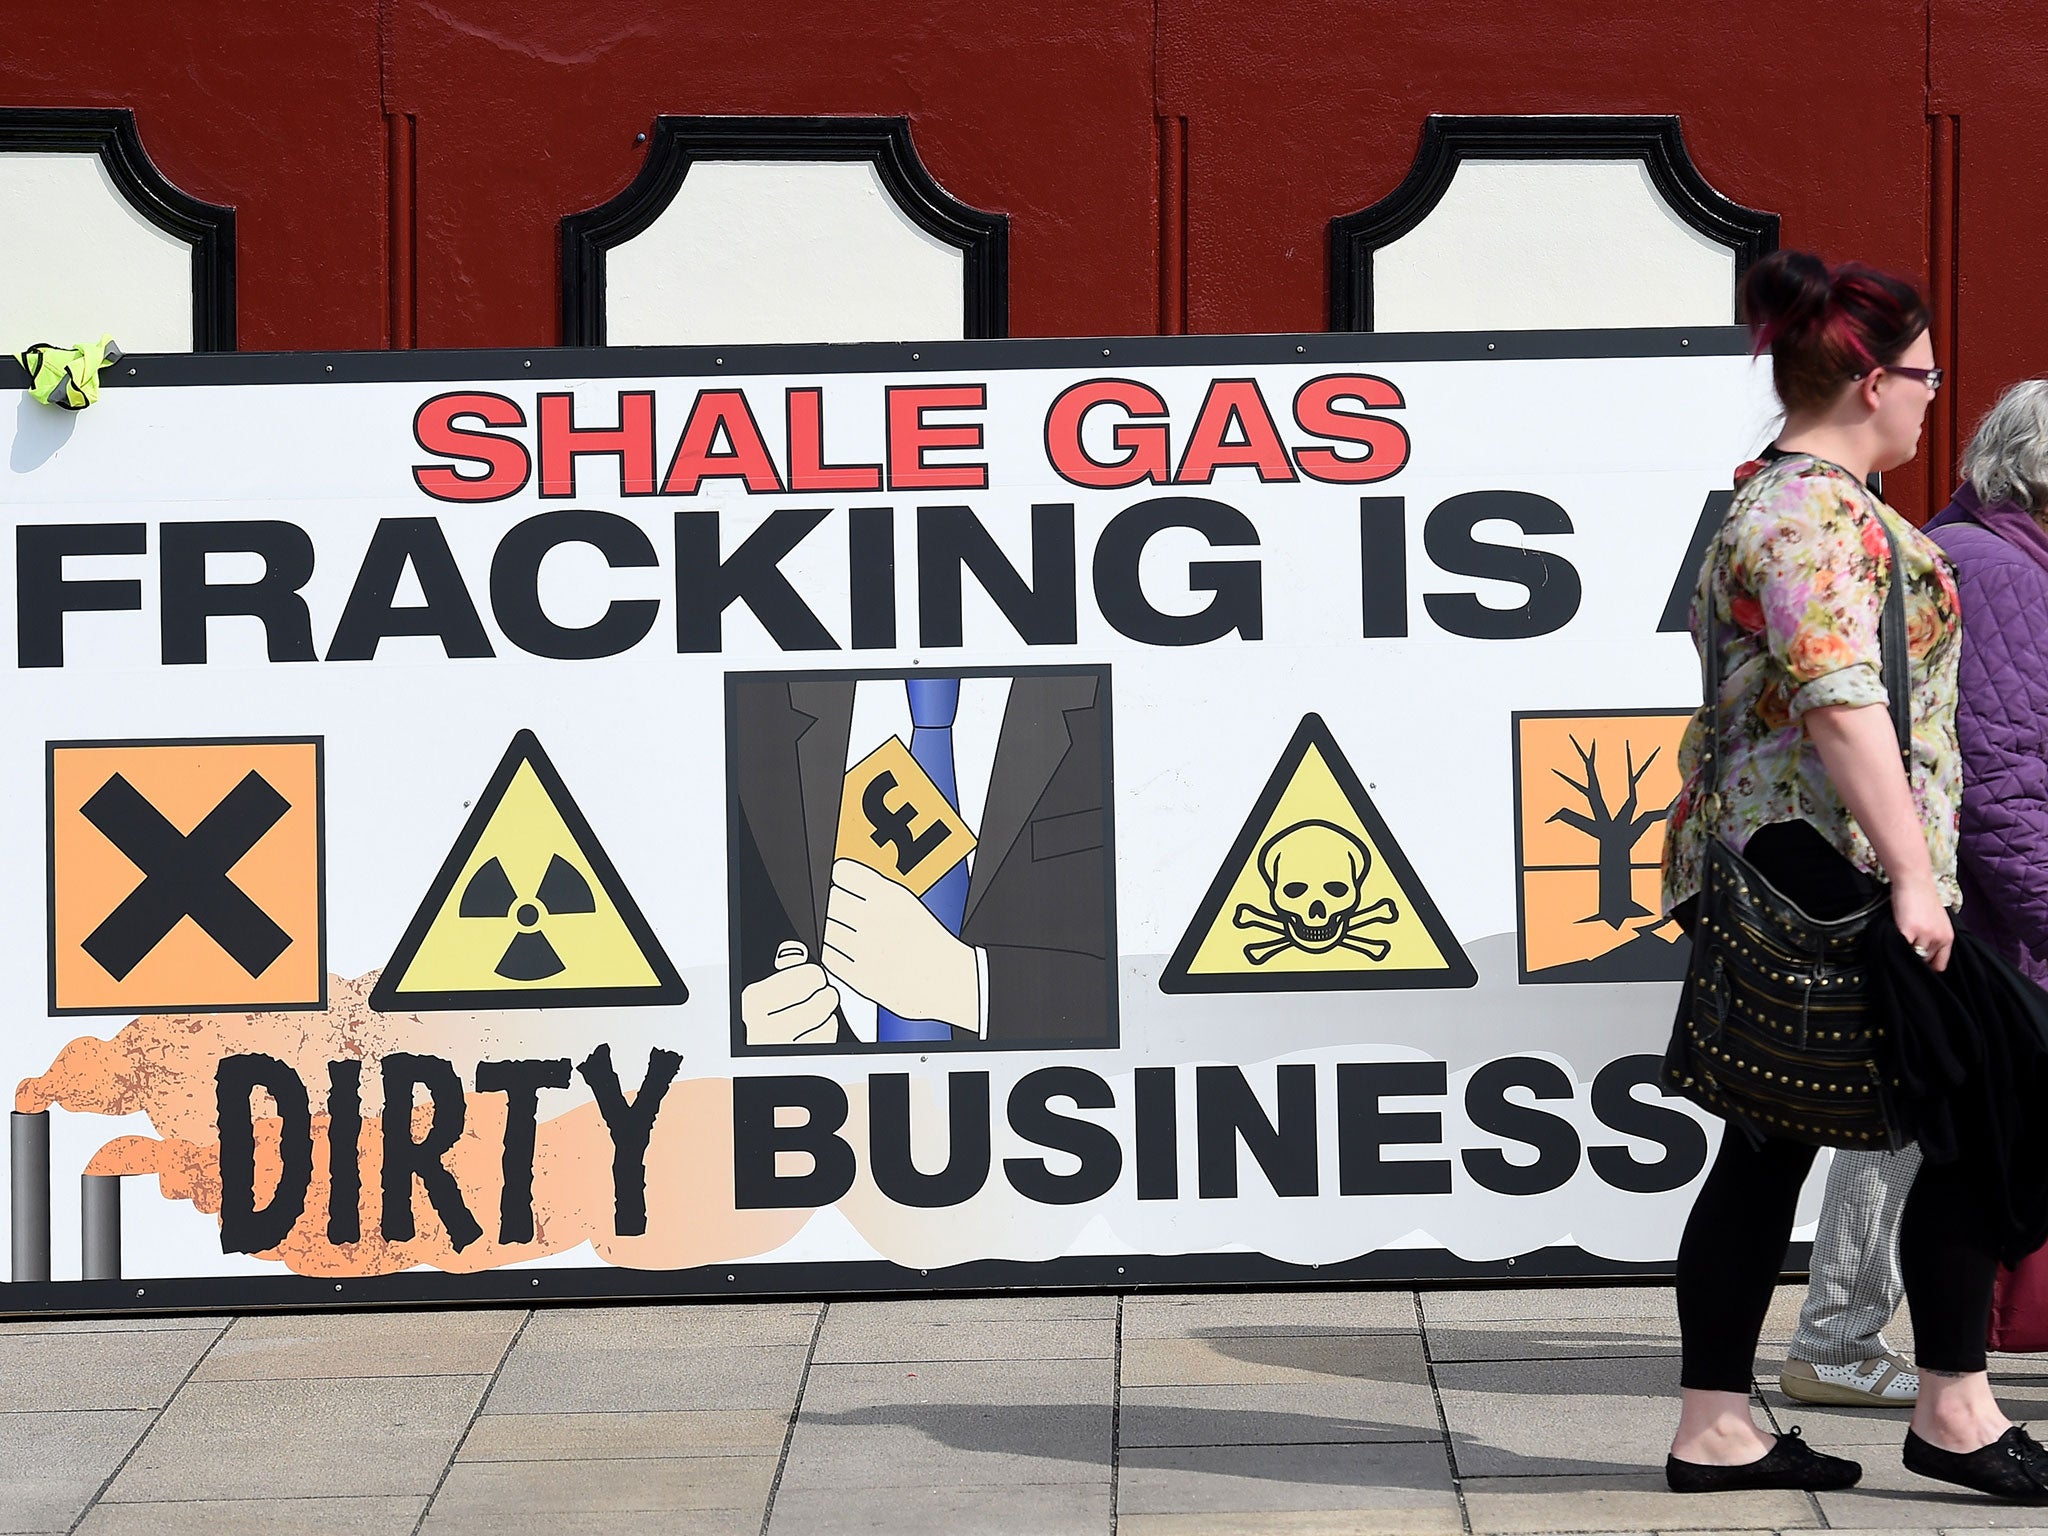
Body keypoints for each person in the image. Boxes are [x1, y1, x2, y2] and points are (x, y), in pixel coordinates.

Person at [1661, 249, 2048, 1502]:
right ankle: (1950, 1408)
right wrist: (1913, 880)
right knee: (1994, 1090)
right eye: (1924, 376)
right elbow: (1838, 702)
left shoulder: (1811, 506)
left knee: (1776, 1140)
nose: (1935, 399)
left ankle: (1722, 1428)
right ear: (1871, 382)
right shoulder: (1808, 518)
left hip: (1804, 864)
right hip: (1817, 873)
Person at [1777, 378, 2048, 1409]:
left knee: (1913, 1119)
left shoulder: (1989, 552)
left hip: (1965, 893)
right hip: (1975, 902)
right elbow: (2002, 774)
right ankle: (1840, 1340)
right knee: (1910, 1122)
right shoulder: (1999, 569)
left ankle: (1845, 1338)